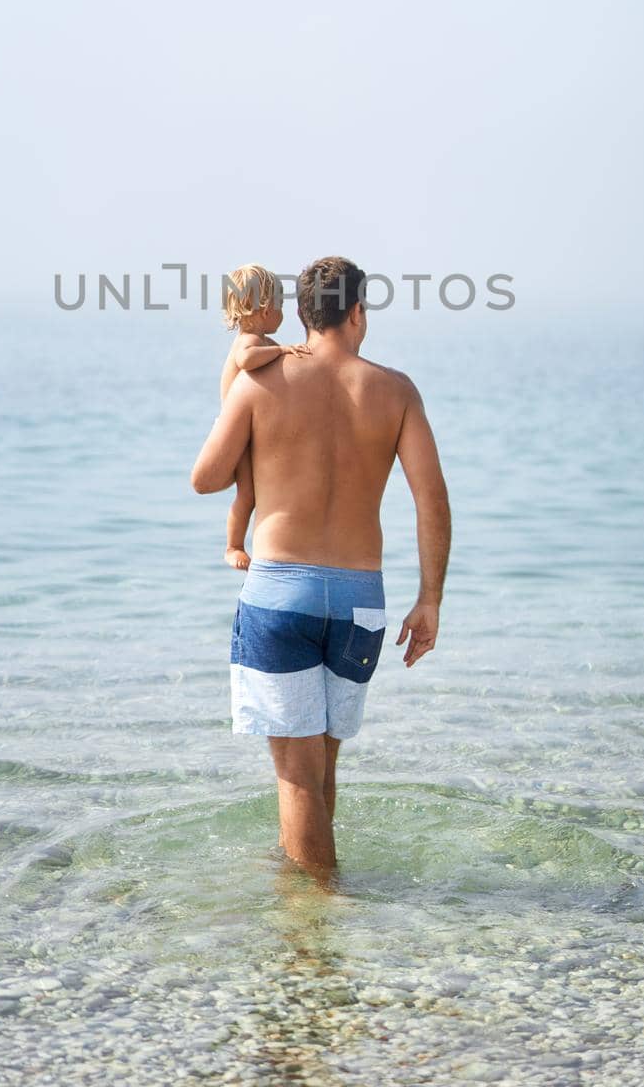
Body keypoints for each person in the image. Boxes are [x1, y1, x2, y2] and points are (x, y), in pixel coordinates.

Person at [191, 255, 451, 880]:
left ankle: (311, 932)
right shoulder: (395, 391)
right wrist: (430, 600)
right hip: (362, 601)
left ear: (303, 317)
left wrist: (257, 438)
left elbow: (205, 479)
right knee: (324, 765)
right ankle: (312, 882)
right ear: (358, 314)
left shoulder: (263, 381)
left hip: (281, 593)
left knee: (296, 776)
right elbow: (431, 500)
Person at [218, 263, 311, 571]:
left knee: (256, 491)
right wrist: (283, 350)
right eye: (280, 305)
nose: (283, 312)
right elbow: (246, 360)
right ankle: (233, 546)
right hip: (239, 433)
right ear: (262, 309)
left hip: (251, 430)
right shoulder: (249, 341)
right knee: (247, 493)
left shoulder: (262, 342)